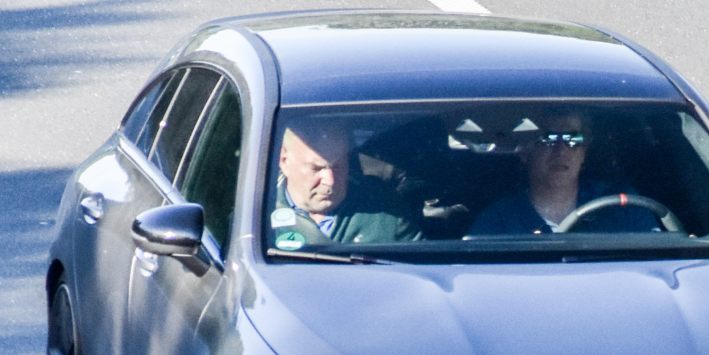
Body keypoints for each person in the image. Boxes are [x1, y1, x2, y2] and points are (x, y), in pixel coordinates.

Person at [464, 110, 667, 237]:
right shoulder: (497, 222)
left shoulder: (623, 205)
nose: (561, 150)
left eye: (573, 140)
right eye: (548, 139)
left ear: (584, 152)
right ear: (525, 152)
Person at [265, 118, 418, 250]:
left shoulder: (384, 209)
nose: (330, 180)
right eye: (316, 168)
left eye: (338, 166)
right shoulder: (258, 213)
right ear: (284, 161)